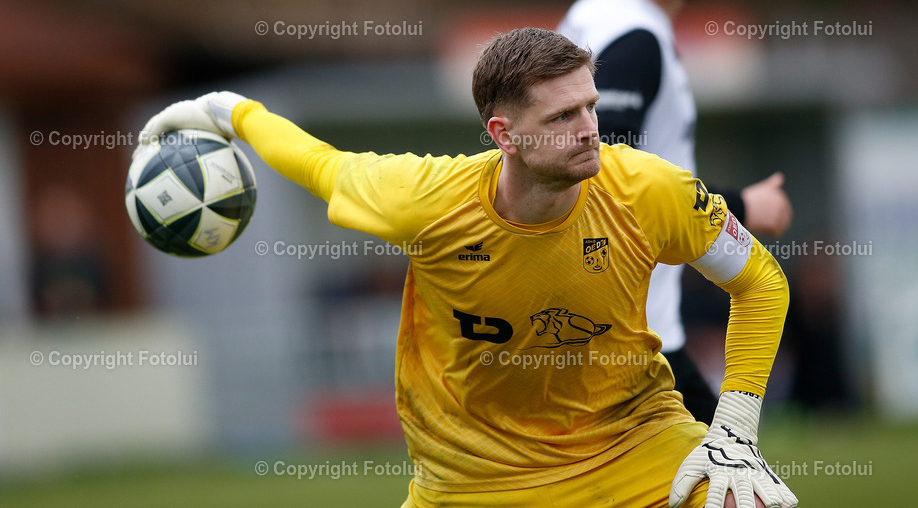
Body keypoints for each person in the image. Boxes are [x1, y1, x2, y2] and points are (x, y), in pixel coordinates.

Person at [136, 28, 797, 508]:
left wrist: (732, 427)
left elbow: (761, 281)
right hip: (473, 477)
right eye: (563, 115)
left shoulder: (650, 189)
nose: (590, 128)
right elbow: (318, 162)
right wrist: (228, 110)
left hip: (631, 442)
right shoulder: (423, 199)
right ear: (505, 134)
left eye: (591, 106)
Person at [558, 0, 792, 424]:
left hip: (614, 333)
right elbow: (602, 168)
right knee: (737, 484)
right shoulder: (634, 35)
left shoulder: (590, 15)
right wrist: (743, 205)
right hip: (640, 343)